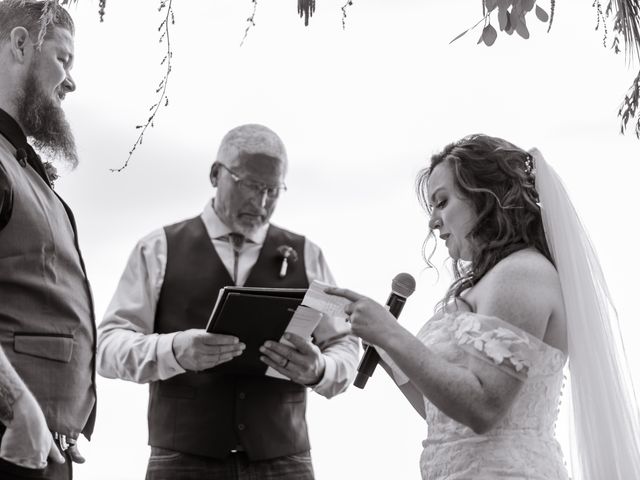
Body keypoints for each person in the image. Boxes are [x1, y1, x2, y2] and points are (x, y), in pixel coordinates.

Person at [328, 134, 640, 479]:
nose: (432, 221)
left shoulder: (522, 274)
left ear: (485, 197)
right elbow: (445, 418)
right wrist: (387, 349)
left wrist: (393, 334)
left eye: (442, 202)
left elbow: (483, 407)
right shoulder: (492, 280)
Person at [97, 123, 359, 480]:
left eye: (272, 190)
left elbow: (344, 341)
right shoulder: (157, 249)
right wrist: (174, 350)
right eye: (251, 186)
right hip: (182, 461)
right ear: (215, 174)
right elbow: (108, 346)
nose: (262, 202)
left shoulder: (308, 256)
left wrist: (320, 370)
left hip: (285, 461)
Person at [0, 2, 97, 479]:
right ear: (20, 45)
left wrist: (59, 416)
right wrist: (20, 405)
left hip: (42, 446)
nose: (72, 82)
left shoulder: (21, 165)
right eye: (64, 60)